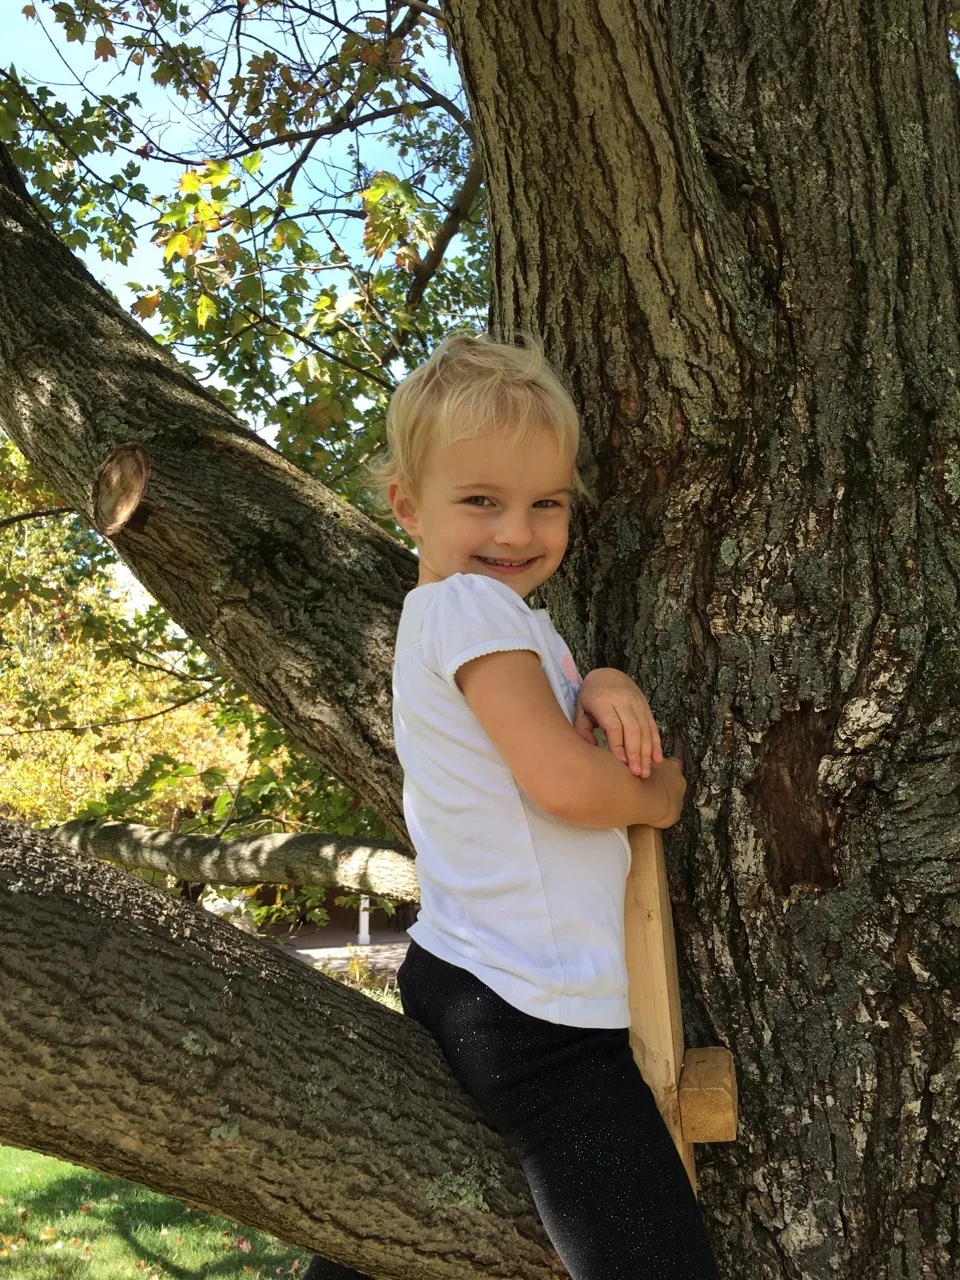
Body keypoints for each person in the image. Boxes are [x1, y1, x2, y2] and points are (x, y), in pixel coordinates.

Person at [304, 333, 719, 1280]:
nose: (519, 533)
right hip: (536, 1015)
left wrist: (602, 680)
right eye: (482, 501)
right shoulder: (471, 608)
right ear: (406, 506)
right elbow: (565, 784)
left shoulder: (480, 621)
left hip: (482, 981)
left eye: (547, 503)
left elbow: (548, 724)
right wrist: (659, 795)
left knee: (401, 1217)